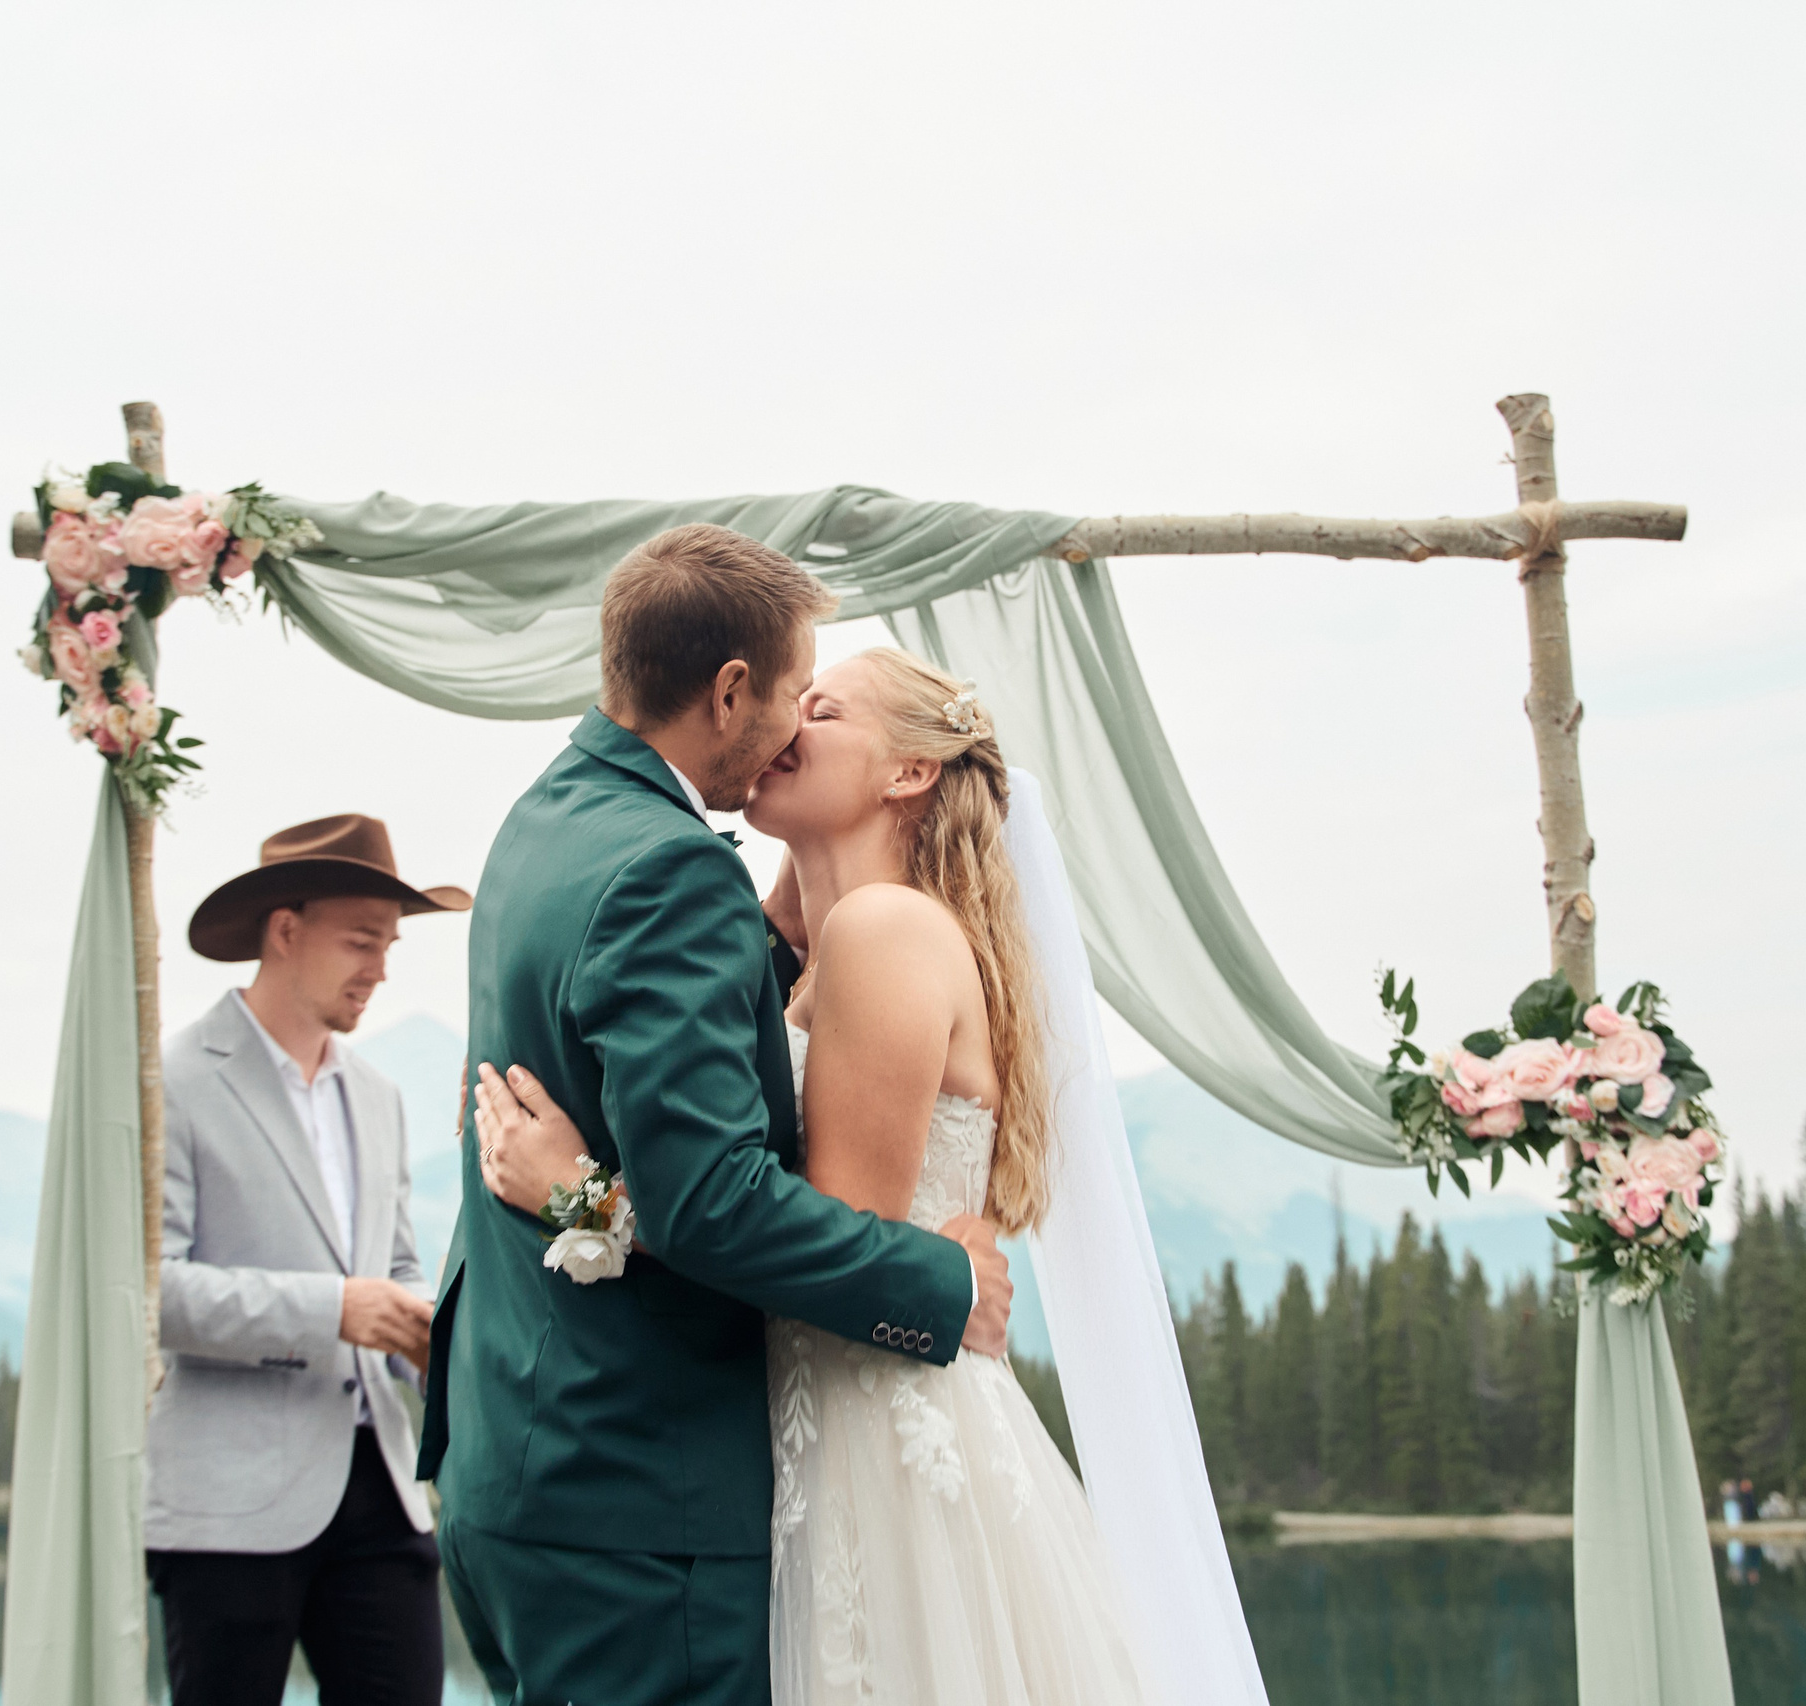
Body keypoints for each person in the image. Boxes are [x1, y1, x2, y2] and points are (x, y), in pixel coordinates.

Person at [477, 647, 1155, 1704]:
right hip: (804, 1428)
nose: (788, 718)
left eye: (822, 707)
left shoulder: (885, 929)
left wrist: (582, 1192)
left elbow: (834, 1228)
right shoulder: (803, 953)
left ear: (908, 773)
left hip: (876, 1436)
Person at [418, 526, 1015, 1706]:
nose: (795, 723)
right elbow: (712, 1201)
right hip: (635, 1492)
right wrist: (941, 1287)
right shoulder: (674, 871)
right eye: (798, 692)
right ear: (731, 687)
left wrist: (582, 1189)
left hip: (523, 1461)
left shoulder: (549, 821)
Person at [145, 815, 471, 1706]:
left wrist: (421, 1328)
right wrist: (333, 1310)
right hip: (227, 1512)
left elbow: (396, 1264)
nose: (381, 968)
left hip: (383, 1496)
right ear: (284, 931)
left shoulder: (378, 1095)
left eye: (391, 945)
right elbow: (151, 1294)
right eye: (362, 941)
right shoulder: (170, 1080)